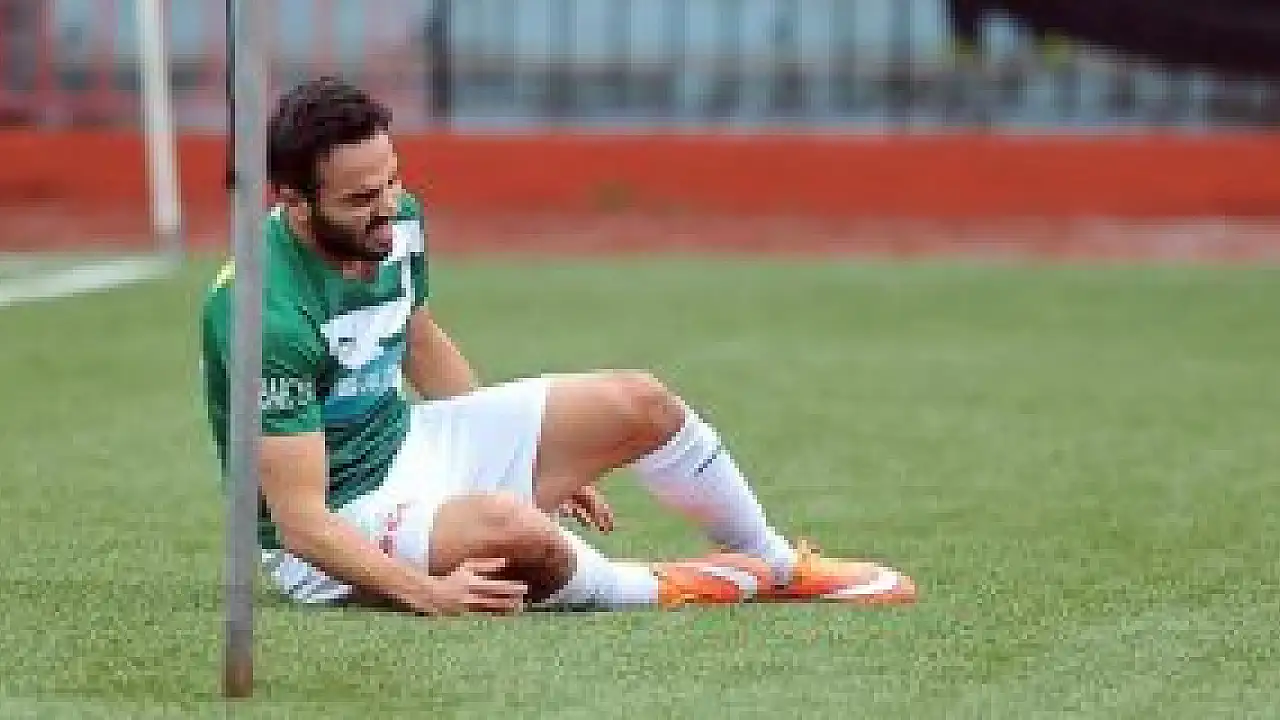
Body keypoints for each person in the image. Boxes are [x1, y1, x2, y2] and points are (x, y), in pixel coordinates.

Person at [200, 76, 916, 617]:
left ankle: (777, 566)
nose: (387, 207)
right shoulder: (261, 312)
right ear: (292, 202)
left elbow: (415, 335)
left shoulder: (397, 221)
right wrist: (426, 594)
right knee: (514, 531)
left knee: (641, 402)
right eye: (361, 200)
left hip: (408, 443)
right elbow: (302, 524)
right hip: (336, 525)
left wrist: (518, 452)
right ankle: (660, 586)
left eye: (391, 180)